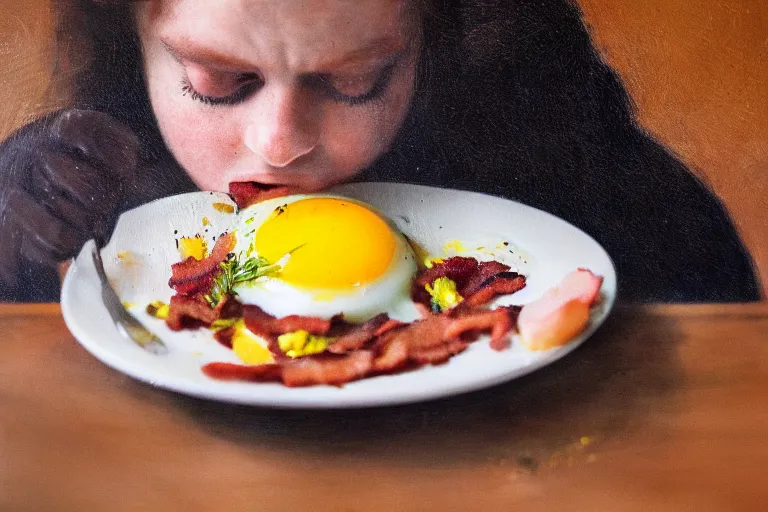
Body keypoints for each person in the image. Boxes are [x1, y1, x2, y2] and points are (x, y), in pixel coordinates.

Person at [0, 0, 761, 303]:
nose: (279, 144)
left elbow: (715, 305)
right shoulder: (109, 140)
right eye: (218, 82)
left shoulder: (535, 119)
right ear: (128, 45)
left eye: (356, 82)